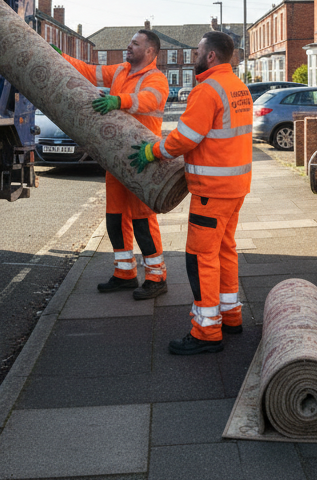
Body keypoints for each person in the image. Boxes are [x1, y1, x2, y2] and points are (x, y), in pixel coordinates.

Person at [130, 31, 252, 355]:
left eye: (198, 51)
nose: (195, 55)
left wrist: (153, 150)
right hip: (236, 187)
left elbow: (184, 138)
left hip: (211, 192)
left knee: (200, 258)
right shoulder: (239, 88)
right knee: (225, 250)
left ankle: (206, 331)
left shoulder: (207, 90)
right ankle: (231, 316)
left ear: (210, 56)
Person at [59, 30, 170, 299]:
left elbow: (149, 99)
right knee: (115, 218)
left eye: (135, 44)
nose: (128, 46)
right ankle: (125, 274)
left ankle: (157, 277)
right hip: (116, 158)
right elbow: (89, 71)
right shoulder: (121, 69)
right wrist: (59, 56)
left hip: (142, 158)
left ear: (151, 52)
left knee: (143, 220)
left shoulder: (155, 78)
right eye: (130, 42)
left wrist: (118, 100)